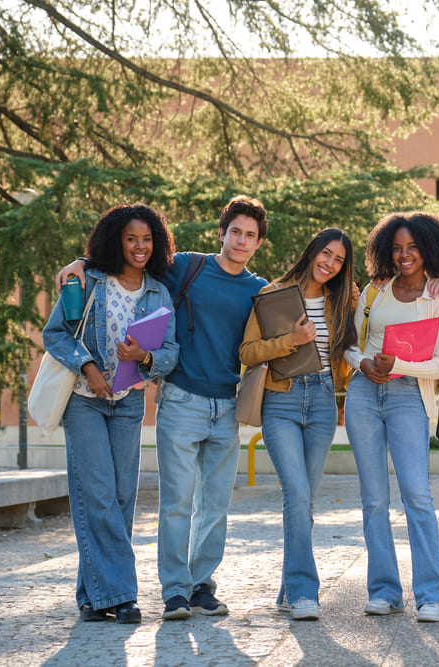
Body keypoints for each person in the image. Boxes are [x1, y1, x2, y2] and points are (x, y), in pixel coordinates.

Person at [56, 195, 269, 620]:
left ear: (259, 242)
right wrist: (80, 262)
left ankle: (201, 586)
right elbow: (127, 254)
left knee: (214, 505)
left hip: (226, 404)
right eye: (235, 232)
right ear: (222, 232)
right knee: (174, 501)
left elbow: (273, 331)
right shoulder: (185, 267)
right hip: (180, 400)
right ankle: (173, 590)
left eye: (250, 235)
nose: (241, 240)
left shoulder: (259, 290)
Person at [43, 204, 179, 624]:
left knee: (120, 499)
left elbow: (170, 354)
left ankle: (91, 596)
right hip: (83, 400)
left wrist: (145, 356)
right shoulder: (88, 281)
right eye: (131, 238)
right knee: (98, 493)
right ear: (116, 240)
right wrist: (87, 366)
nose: (140, 247)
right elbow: (55, 333)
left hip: (128, 403)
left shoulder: (158, 291)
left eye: (147, 239)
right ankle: (122, 596)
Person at [343, 212, 439, 623]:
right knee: (374, 499)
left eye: (412, 247)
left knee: (416, 495)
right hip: (363, 396)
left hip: (409, 397)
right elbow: (349, 346)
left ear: (428, 249)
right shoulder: (374, 294)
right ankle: (384, 591)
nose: (405, 254)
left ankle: (431, 595)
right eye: (397, 248)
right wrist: (363, 365)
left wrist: (401, 366)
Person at [238, 228, 358, 621]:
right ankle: (306, 592)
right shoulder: (275, 293)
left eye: (339, 260)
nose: (330, 263)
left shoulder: (340, 300)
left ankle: (290, 589)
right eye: (326, 254)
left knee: (305, 501)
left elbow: (350, 351)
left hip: (322, 401)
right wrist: (290, 339)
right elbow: (248, 352)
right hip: (282, 399)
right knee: (297, 494)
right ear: (312, 252)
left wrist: (358, 306)